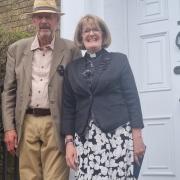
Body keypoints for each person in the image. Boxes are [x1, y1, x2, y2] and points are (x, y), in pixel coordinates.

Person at [2, 0, 81, 179]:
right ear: (34, 21)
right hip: (26, 122)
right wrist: (9, 128)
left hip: (57, 123)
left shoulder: (71, 50)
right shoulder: (16, 49)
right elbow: (9, 91)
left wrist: (73, 132)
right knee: (28, 176)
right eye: (39, 17)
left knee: (56, 177)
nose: (44, 20)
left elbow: (77, 93)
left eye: (49, 17)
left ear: (56, 21)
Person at [61, 14, 146, 180]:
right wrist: (69, 142)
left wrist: (137, 137)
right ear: (81, 37)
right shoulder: (72, 69)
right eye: (86, 31)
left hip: (118, 136)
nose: (91, 33)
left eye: (95, 30)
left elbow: (132, 99)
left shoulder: (119, 60)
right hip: (87, 139)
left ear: (103, 35)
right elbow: (68, 107)